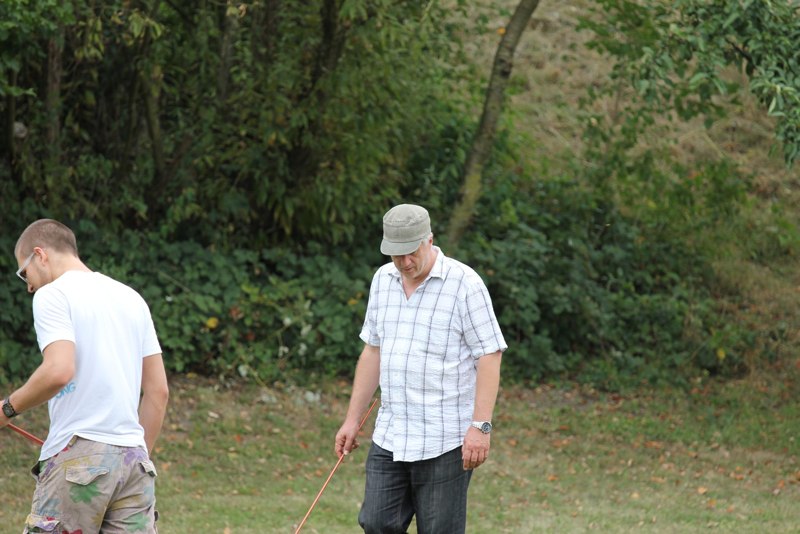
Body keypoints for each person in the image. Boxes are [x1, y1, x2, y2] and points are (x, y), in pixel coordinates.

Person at [335, 204, 507, 533]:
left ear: (429, 240)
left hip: (445, 440)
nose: (404, 263)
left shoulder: (465, 284)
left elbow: (489, 354)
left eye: (411, 252)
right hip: (391, 434)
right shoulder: (382, 281)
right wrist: (352, 419)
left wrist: (481, 427)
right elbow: (373, 351)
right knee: (376, 522)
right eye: (396, 255)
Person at [1, 219, 169, 533]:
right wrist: (133, 454)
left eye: (24, 272)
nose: (28, 286)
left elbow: (59, 370)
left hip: (77, 463)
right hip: (136, 463)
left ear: (40, 255)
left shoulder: (53, 295)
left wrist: (7, 409)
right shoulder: (132, 299)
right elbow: (158, 392)